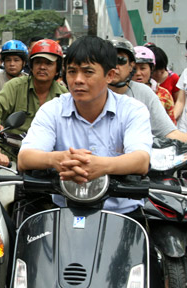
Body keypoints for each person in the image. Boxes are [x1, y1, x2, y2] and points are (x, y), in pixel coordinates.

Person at [18, 35, 151, 213]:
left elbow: (141, 160)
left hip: (123, 214)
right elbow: (25, 157)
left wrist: (100, 166)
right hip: (63, 213)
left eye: (88, 72)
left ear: (109, 75)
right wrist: (58, 159)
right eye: (72, 72)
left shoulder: (133, 110)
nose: (78, 80)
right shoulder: (52, 110)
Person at [0, 38, 68, 161]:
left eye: (48, 63)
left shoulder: (64, 96)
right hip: (11, 156)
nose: (42, 67)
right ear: (31, 65)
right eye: (38, 62)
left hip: (50, 159)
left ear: (58, 68)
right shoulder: (15, 86)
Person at [107, 37, 187, 142]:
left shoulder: (145, 93)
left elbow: (169, 132)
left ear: (131, 66)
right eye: (109, 60)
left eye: (121, 60)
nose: (115, 66)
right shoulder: (93, 92)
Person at [132, 46, 176, 124]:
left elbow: (171, 125)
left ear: (152, 68)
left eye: (142, 68)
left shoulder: (164, 94)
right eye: (134, 69)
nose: (138, 73)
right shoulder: (121, 93)